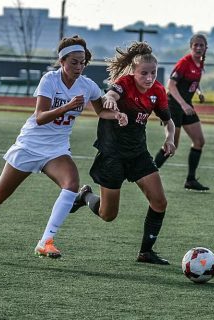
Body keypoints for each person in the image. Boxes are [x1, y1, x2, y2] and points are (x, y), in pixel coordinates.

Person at [0, 36, 127, 259]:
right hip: (29, 146)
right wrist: (68, 106)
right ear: (62, 61)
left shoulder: (87, 86)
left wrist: (116, 114)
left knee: (71, 185)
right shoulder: (49, 80)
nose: (79, 67)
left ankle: (46, 241)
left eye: (82, 62)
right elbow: (40, 117)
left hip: (56, 149)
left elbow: (101, 111)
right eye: (74, 62)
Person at [70, 42, 176, 265]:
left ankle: (145, 253)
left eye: (153, 73)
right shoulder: (124, 83)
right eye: (143, 73)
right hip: (112, 154)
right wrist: (109, 99)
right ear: (134, 72)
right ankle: (85, 195)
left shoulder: (157, 91)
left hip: (138, 153)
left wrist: (169, 138)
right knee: (108, 215)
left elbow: (169, 122)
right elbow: (111, 94)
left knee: (159, 202)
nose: (149, 78)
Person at [153, 34, 209, 191]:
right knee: (172, 144)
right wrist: (184, 104)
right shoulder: (184, 63)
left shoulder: (200, 63)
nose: (198, 48)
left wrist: (199, 92)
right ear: (191, 47)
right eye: (195, 45)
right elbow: (171, 85)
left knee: (199, 141)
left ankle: (190, 180)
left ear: (206, 48)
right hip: (173, 106)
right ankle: (148, 174)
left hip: (186, 106)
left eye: (201, 45)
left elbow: (193, 82)